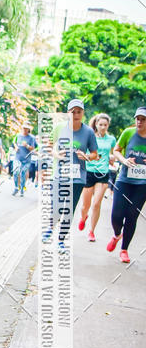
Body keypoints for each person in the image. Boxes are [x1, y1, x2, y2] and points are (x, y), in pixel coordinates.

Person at [44, 99, 98, 248]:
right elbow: (48, 145)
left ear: (83, 113)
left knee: (69, 208)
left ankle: (61, 239)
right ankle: (50, 227)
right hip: (59, 174)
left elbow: (95, 154)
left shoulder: (88, 132)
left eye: (79, 111)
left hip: (78, 177)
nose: (76, 114)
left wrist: (86, 156)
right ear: (68, 113)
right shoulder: (59, 127)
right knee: (56, 206)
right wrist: (55, 153)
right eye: (72, 111)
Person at [107, 107, 146, 263]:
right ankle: (117, 234)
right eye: (137, 118)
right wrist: (123, 161)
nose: (139, 122)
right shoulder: (128, 133)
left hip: (142, 184)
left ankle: (124, 249)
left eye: (143, 119)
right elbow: (116, 150)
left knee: (131, 216)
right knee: (117, 215)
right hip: (124, 179)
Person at [78, 113, 116, 242]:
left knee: (96, 204)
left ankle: (91, 231)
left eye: (105, 125)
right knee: (85, 205)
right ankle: (83, 218)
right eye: (100, 124)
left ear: (108, 125)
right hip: (89, 172)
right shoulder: (90, 137)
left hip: (103, 173)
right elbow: (85, 152)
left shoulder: (111, 139)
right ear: (96, 124)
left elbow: (113, 154)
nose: (103, 127)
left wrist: (111, 158)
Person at [13, 122, 37, 196]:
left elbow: (32, 149)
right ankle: (16, 187)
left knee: (23, 173)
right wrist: (16, 147)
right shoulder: (18, 135)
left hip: (26, 160)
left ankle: (22, 188)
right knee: (15, 172)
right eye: (23, 128)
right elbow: (14, 143)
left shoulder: (31, 138)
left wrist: (26, 145)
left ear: (28, 129)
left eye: (26, 128)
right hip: (18, 157)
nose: (24, 129)